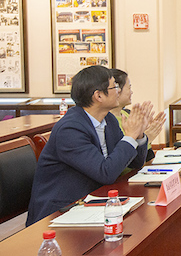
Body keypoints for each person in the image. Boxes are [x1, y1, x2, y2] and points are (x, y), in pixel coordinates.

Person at [26, 66, 154, 225]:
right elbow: (105, 173)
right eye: (114, 87)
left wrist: (139, 135)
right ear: (98, 95)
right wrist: (130, 136)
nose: (118, 91)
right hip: (60, 211)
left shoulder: (109, 120)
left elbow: (135, 163)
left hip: (93, 201)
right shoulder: (70, 129)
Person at [110, 68, 166, 164]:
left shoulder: (128, 114)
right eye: (129, 88)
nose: (131, 92)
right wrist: (147, 138)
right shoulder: (108, 121)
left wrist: (144, 136)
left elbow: (147, 158)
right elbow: (124, 161)